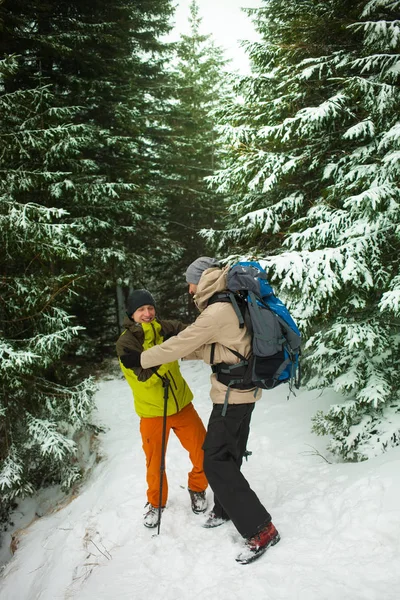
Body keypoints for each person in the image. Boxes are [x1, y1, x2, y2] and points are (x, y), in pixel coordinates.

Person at [121, 259, 280, 564]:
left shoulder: (217, 310)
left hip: (232, 394)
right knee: (229, 452)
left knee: (215, 460)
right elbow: (220, 347)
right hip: (244, 389)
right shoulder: (231, 302)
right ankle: (224, 508)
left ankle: (261, 529)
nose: (189, 289)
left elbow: (186, 340)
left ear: (200, 280)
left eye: (190, 283)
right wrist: (180, 352)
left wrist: (144, 359)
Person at [116, 289, 208, 529]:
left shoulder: (165, 327)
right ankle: (155, 503)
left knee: (204, 452)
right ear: (132, 313)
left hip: (182, 404)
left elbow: (192, 330)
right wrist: (171, 353)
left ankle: (197, 487)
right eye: (141, 310)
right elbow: (144, 376)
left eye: (150, 308)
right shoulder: (126, 342)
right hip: (152, 412)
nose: (147, 314)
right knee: (155, 463)